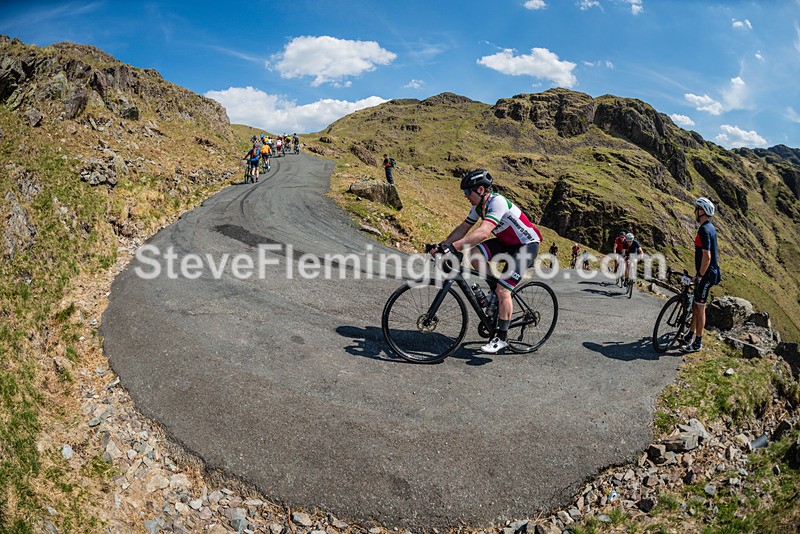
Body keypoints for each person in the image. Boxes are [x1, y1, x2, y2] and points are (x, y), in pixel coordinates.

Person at [431, 169, 542, 354]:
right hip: (507, 242)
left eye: (468, 192)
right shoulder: (478, 207)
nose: (465, 196)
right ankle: (494, 291)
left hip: (526, 245)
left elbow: (483, 232)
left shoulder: (497, 202)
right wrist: (442, 245)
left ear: (480, 190)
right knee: (474, 254)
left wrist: (453, 248)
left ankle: (502, 338)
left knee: (503, 290)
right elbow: (463, 229)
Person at [681, 197, 721, 353]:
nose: (694, 212)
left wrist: (700, 276)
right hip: (706, 273)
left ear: (702, 211)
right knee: (696, 306)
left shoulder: (704, 230)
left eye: (696, 209)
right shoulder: (709, 227)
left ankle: (697, 343)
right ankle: (690, 335)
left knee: (700, 307)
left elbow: (707, 256)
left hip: (707, 275)